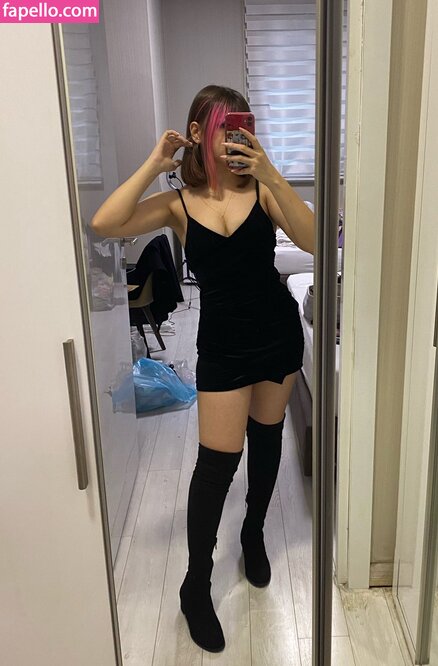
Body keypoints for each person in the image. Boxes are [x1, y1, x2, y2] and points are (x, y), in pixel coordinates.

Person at [91, 84, 314, 653]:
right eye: (223, 125)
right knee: (216, 465)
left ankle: (253, 533)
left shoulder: (261, 190)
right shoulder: (178, 204)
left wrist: (272, 173)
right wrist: (154, 162)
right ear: (197, 132)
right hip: (222, 348)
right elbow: (105, 223)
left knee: (268, 439)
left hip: (276, 335)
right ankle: (195, 585)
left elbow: (316, 241)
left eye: (242, 125)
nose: (234, 135)